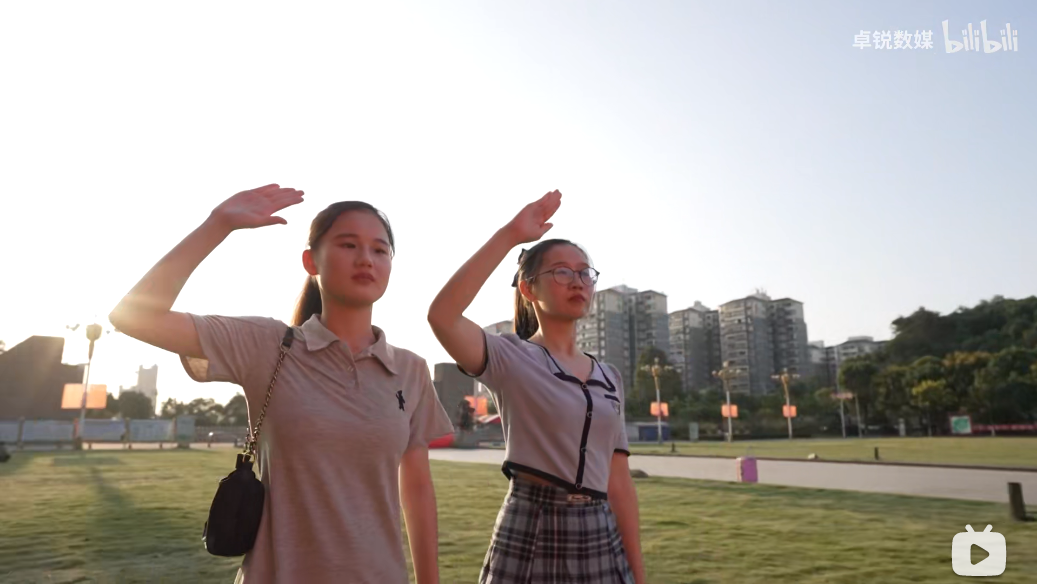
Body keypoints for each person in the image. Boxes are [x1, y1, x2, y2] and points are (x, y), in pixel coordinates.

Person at [109, 184, 454, 584]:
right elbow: (133, 316)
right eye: (348, 245)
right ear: (311, 261)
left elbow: (417, 489)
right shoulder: (267, 345)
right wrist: (218, 225)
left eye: (380, 250)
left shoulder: (410, 369)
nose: (366, 259)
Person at [428, 190, 646, 584]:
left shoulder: (609, 376)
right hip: (531, 529)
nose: (577, 281)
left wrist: (639, 574)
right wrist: (510, 235)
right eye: (562, 272)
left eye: (584, 272)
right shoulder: (511, 357)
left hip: (601, 534)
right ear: (528, 289)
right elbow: (442, 316)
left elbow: (619, 482)